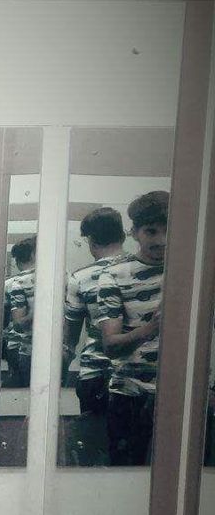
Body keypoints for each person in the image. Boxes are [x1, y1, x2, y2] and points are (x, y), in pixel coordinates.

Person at [96, 191, 168, 465]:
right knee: (124, 478)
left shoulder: (195, 273)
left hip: (183, 394)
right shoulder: (114, 275)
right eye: (151, 231)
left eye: (168, 230)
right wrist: (152, 328)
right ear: (134, 232)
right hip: (130, 394)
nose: (161, 240)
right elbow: (111, 345)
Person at [63, 207, 126, 415]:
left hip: (96, 372)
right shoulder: (140, 269)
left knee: (93, 434)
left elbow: (70, 336)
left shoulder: (80, 278)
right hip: (138, 374)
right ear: (123, 236)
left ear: (91, 241)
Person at [3, 235, 36, 387]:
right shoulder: (62, 277)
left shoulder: (12, 283)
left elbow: (16, 322)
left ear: (17, 261)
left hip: (20, 348)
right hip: (52, 348)